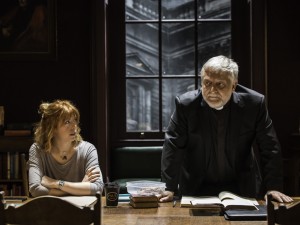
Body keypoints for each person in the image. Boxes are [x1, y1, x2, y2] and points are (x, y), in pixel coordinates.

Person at [159, 55, 293, 203]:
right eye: (207, 83)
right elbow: (173, 146)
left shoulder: (254, 105)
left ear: (234, 86)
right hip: (196, 186)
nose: (212, 90)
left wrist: (273, 187)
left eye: (220, 85)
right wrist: (168, 187)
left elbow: (270, 147)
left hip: (241, 187)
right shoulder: (186, 105)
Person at [28, 100, 104, 197]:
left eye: (75, 120)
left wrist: (57, 183)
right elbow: (35, 189)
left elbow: (98, 188)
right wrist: (80, 187)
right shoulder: (37, 149)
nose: (74, 126)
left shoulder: (88, 149)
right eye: (67, 122)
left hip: (82, 209)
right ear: (52, 128)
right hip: (49, 209)